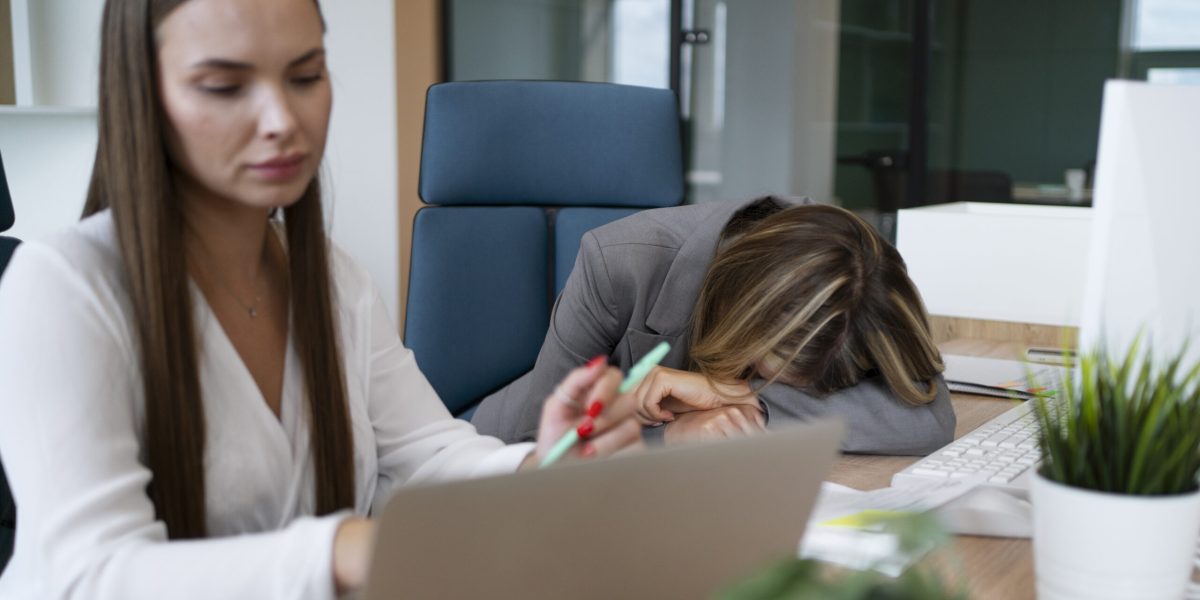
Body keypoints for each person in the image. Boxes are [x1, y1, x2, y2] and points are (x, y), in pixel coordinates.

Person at [0, 1, 641, 598]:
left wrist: (544, 464)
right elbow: (90, 574)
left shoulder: (334, 279)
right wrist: (337, 548)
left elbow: (428, 454)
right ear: (143, 95)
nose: (283, 120)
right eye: (225, 87)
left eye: (305, 76)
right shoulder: (61, 286)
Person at [472, 197, 956, 453]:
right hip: (493, 455)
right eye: (778, 372)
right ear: (747, 319)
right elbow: (541, 452)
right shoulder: (620, 261)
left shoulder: (850, 269)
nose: (799, 391)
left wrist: (746, 400)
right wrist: (675, 438)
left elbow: (927, 417)